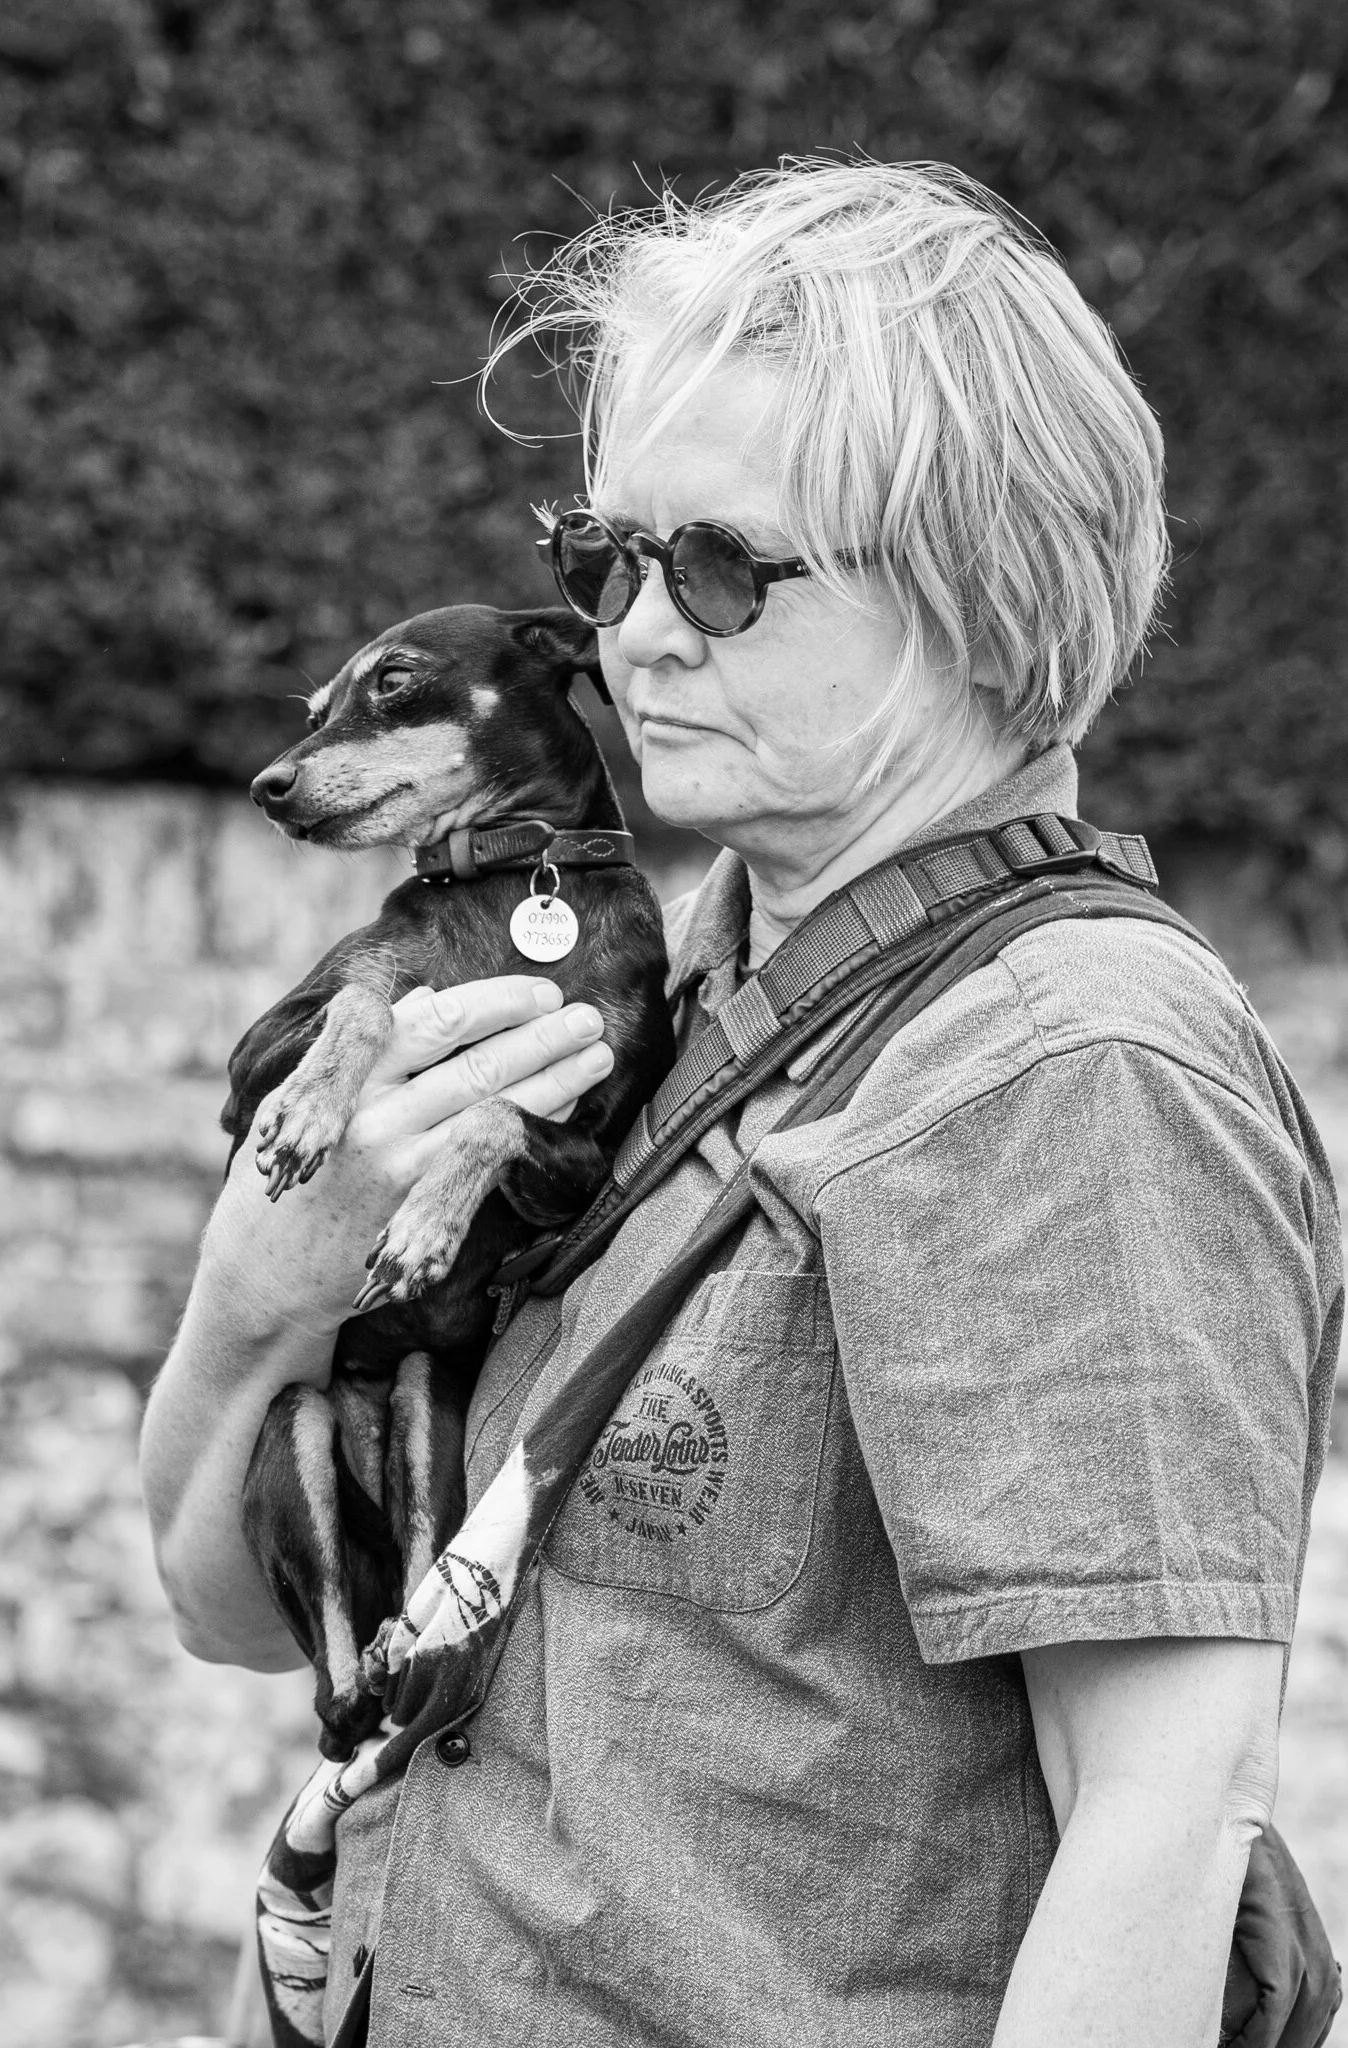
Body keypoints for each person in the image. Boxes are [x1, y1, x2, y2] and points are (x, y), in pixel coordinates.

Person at [139, 161, 1342, 2047]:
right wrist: (264, 1281)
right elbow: (225, 1609)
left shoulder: (1071, 1069)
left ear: (982, 591)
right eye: (604, 560)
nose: (637, 635)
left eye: (721, 568)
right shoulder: (646, 999)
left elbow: (1164, 1824)